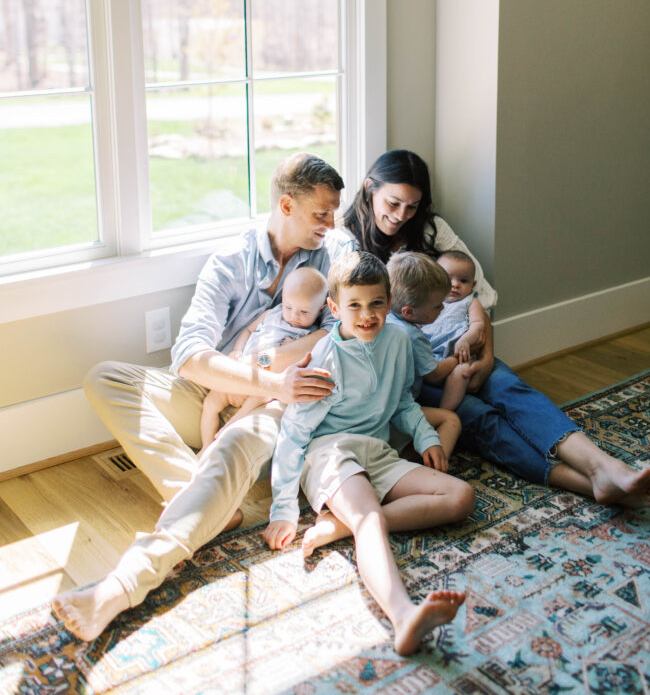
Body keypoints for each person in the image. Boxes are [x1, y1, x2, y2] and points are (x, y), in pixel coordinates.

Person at [52, 152, 346, 642]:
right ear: (287, 205)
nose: (331, 223)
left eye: (336, 211)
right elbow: (188, 355)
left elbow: (344, 334)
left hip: (283, 403)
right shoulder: (231, 262)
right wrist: (261, 378)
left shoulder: (332, 257)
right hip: (223, 388)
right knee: (105, 377)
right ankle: (198, 493)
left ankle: (123, 585)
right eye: (322, 213)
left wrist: (273, 382)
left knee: (232, 444)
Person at [340, 149, 650, 507]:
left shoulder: (432, 230)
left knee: (509, 387)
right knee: (479, 418)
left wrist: (487, 356)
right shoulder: (347, 246)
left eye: (412, 206)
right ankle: (587, 484)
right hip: (409, 371)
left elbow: (481, 294)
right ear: (370, 188)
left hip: (461, 349)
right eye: (394, 202)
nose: (402, 215)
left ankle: (605, 466)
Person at [263, 251, 475, 656]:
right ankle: (403, 615)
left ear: (391, 301)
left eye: (377, 303)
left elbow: (401, 402)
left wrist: (426, 436)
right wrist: (283, 509)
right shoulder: (326, 357)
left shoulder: (396, 340)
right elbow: (293, 434)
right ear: (334, 307)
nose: (367, 315)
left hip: (377, 451)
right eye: (354, 305)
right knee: (372, 516)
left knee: (461, 496)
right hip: (330, 453)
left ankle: (347, 526)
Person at [199, 266, 329, 451]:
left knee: (266, 392)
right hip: (240, 372)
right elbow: (248, 330)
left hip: (264, 383)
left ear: (321, 307)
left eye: (304, 312)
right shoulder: (271, 314)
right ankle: (206, 445)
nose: (294, 316)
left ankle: (233, 423)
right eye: (289, 307)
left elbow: (292, 367)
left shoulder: (308, 334)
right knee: (210, 403)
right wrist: (238, 351)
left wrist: (289, 349)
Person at [386, 251, 473, 456]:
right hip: (396, 411)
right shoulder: (412, 335)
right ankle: (432, 472)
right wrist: (454, 359)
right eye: (436, 306)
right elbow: (434, 373)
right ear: (408, 312)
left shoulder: (385, 319)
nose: (442, 308)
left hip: (374, 406)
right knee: (451, 421)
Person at [423, 251, 488, 363]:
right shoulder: (428, 300)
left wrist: (465, 340)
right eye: (448, 279)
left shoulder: (471, 302)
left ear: (472, 285)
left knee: (462, 373)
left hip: (458, 352)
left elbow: (478, 324)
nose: (455, 284)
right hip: (427, 351)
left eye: (463, 281)